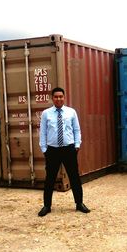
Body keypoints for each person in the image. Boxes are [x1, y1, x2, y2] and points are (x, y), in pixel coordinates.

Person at [38, 87, 90, 217]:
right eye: (56, 97)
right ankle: (47, 206)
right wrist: (44, 149)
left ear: (64, 97)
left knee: (74, 177)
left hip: (69, 149)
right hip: (52, 150)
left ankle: (79, 204)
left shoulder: (71, 112)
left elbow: (76, 130)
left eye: (61, 96)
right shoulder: (46, 114)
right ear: (52, 98)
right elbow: (43, 132)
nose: (58, 99)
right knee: (50, 178)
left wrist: (77, 145)